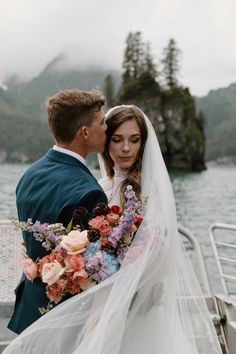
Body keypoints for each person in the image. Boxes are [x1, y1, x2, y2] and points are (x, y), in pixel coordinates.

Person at [4, 105, 222, 353]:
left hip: (136, 309)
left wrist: (113, 297)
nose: (126, 148)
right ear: (106, 142)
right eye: (117, 139)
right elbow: (86, 246)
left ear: (143, 143)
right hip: (97, 306)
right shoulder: (99, 187)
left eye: (134, 140)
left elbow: (160, 256)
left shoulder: (151, 192)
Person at [7, 89, 108, 335]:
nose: (107, 128)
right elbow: (90, 270)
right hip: (66, 321)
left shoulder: (28, 175)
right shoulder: (90, 192)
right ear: (84, 132)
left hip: (30, 309)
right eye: (102, 123)